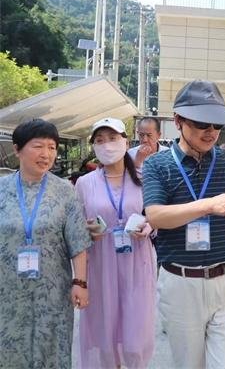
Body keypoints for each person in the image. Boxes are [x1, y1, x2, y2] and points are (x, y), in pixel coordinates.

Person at [142, 79, 225, 368]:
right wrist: (209, 205)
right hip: (180, 284)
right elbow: (155, 216)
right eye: (202, 124)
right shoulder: (156, 165)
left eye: (217, 125)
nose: (211, 132)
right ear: (178, 121)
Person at [0, 119, 91, 368]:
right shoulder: (2, 188)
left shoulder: (65, 191)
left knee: (52, 349)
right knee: (9, 351)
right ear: (17, 150)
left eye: (52, 147)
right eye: (38, 146)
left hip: (52, 291)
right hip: (7, 291)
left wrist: (80, 282)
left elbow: (77, 240)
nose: (46, 154)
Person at [76, 118, 156, 368]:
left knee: (134, 335)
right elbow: (76, 227)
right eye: (100, 141)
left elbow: (156, 215)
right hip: (101, 264)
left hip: (136, 263)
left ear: (126, 142)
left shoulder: (145, 178)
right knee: (105, 332)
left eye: (112, 138)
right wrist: (85, 231)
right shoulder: (84, 183)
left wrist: (149, 226)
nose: (107, 145)